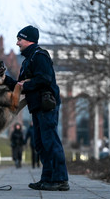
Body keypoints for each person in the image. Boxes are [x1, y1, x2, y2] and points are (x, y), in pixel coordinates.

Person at [4, 25, 69, 191]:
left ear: (29, 40)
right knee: (40, 143)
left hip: (46, 105)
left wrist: (26, 83)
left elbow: (45, 78)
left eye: (20, 39)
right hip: (37, 106)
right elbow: (21, 86)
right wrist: (3, 79)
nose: (17, 43)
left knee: (50, 141)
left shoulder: (40, 56)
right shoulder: (28, 60)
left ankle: (60, 179)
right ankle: (47, 178)